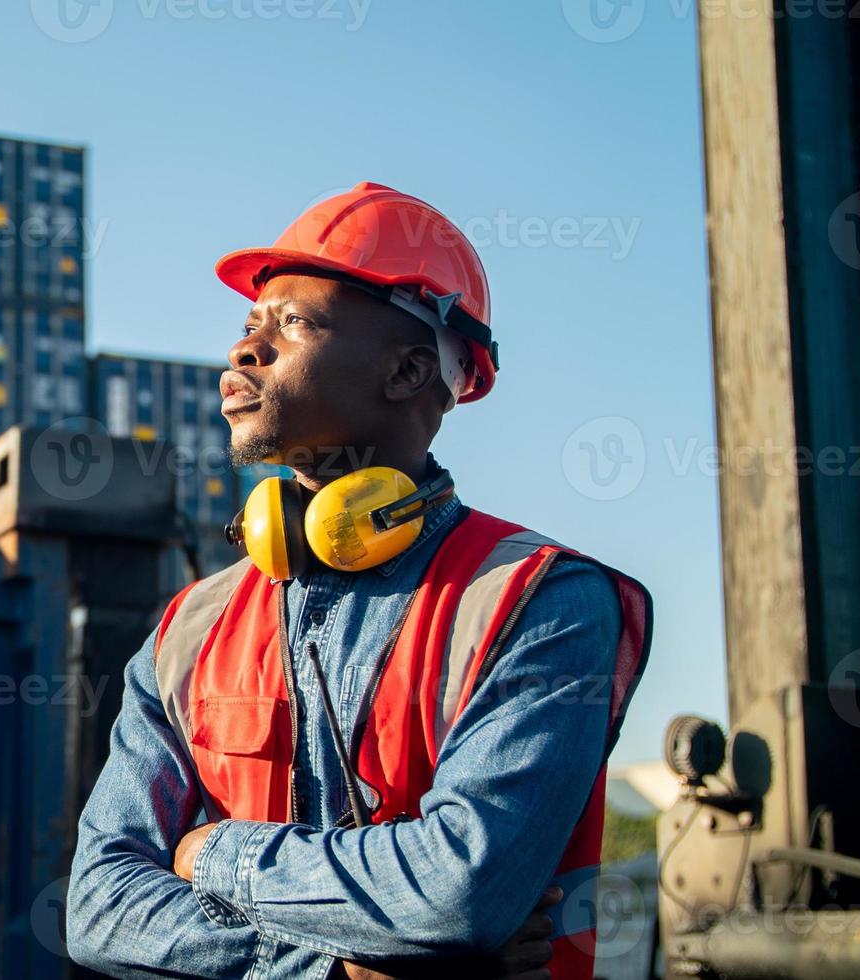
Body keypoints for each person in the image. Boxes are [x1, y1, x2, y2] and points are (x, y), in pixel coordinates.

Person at [65, 182, 652, 980]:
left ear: (408, 371)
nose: (244, 351)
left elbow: (457, 894)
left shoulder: (539, 600)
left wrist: (211, 855)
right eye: (247, 326)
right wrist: (333, 970)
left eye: (292, 323)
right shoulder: (189, 628)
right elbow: (100, 906)